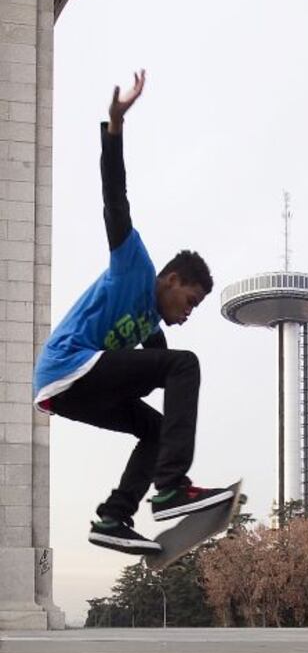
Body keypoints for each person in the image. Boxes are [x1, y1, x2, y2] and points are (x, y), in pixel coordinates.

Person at [33, 70, 233, 555]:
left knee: (157, 425)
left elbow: (159, 371)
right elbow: (114, 200)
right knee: (184, 363)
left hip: (70, 393)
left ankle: (114, 517)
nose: (186, 315)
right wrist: (115, 126)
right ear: (170, 280)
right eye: (189, 302)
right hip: (68, 365)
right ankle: (170, 490)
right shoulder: (133, 266)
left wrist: (177, 425)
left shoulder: (150, 326)